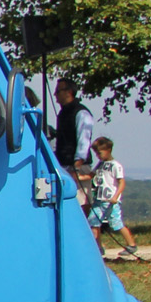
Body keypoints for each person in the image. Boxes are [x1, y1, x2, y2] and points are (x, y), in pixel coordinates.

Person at [87, 136, 139, 259]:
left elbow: (121, 182)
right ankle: (97, 248)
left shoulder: (115, 165)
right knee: (93, 222)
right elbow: (90, 176)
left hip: (111, 200)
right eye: (96, 153)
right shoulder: (100, 165)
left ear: (108, 150)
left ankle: (131, 244)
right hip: (100, 199)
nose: (98, 156)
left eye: (99, 153)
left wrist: (116, 196)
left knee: (116, 223)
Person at [52, 78, 97, 210]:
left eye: (58, 90)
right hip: (64, 165)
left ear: (69, 92)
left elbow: (84, 141)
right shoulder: (63, 113)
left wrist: (76, 168)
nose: (55, 94)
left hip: (77, 167)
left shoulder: (81, 113)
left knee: (80, 205)